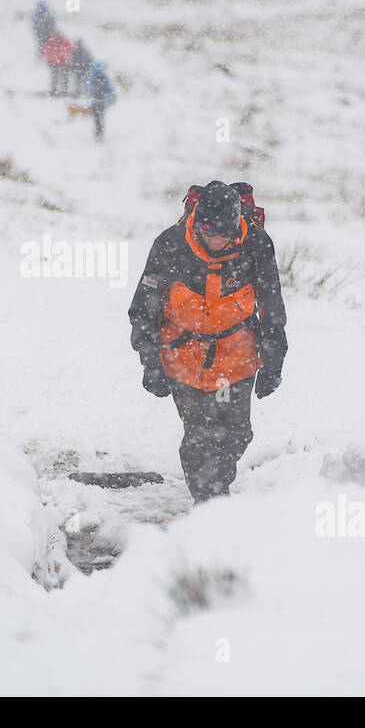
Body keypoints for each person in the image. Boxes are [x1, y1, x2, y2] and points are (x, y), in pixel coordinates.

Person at [128, 181, 287, 504]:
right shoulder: (170, 244)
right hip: (182, 357)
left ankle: (216, 489)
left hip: (237, 357)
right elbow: (142, 311)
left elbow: (272, 307)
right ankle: (210, 502)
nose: (215, 240)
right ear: (198, 222)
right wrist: (151, 363)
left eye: (223, 234)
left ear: (235, 226)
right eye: (208, 232)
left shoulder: (256, 243)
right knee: (200, 434)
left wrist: (274, 361)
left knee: (237, 434)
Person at [85, 62, 115, 140]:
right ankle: (100, 132)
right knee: (101, 117)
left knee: (96, 118)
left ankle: (97, 132)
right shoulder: (104, 77)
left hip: (94, 102)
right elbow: (110, 87)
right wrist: (111, 95)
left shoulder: (91, 77)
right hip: (103, 101)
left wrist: (90, 95)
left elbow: (88, 89)